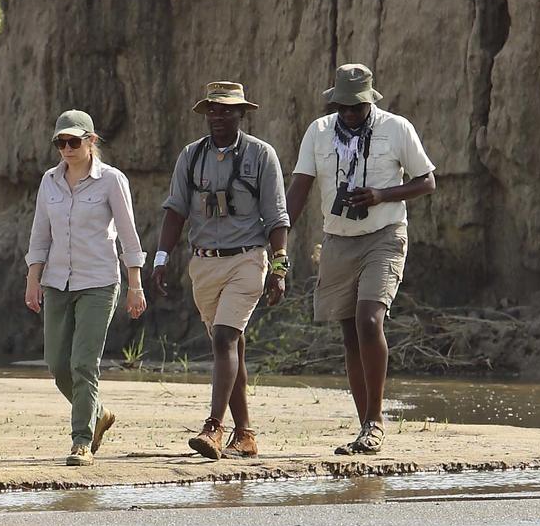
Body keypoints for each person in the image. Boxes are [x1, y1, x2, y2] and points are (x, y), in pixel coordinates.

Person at [285, 62, 437, 456]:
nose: (350, 114)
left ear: (370, 101)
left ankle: (375, 421)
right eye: (343, 107)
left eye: (357, 107)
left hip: (385, 236)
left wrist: (381, 195)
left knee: (370, 320)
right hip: (338, 239)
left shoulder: (396, 128)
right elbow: (299, 189)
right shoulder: (317, 133)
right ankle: (364, 423)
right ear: (334, 102)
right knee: (349, 333)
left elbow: (427, 181)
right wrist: (277, 238)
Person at [156, 79, 291, 460]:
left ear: (241, 113)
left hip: (248, 259)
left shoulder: (262, 156)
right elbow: (176, 209)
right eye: (213, 109)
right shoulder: (191, 156)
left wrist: (279, 267)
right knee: (230, 348)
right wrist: (162, 257)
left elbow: (277, 216)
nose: (218, 116)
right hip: (204, 263)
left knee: (224, 340)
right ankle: (245, 434)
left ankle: (213, 427)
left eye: (227, 109)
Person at [23, 107, 147, 467]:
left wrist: (135, 285)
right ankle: (100, 413)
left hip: (99, 282)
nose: (66, 148)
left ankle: (81, 441)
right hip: (57, 281)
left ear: (91, 141)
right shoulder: (49, 181)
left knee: (83, 362)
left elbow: (128, 233)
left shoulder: (111, 180)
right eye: (60, 142)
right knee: (57, 364)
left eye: (73, 141)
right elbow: (39, 232)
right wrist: (33, 278)